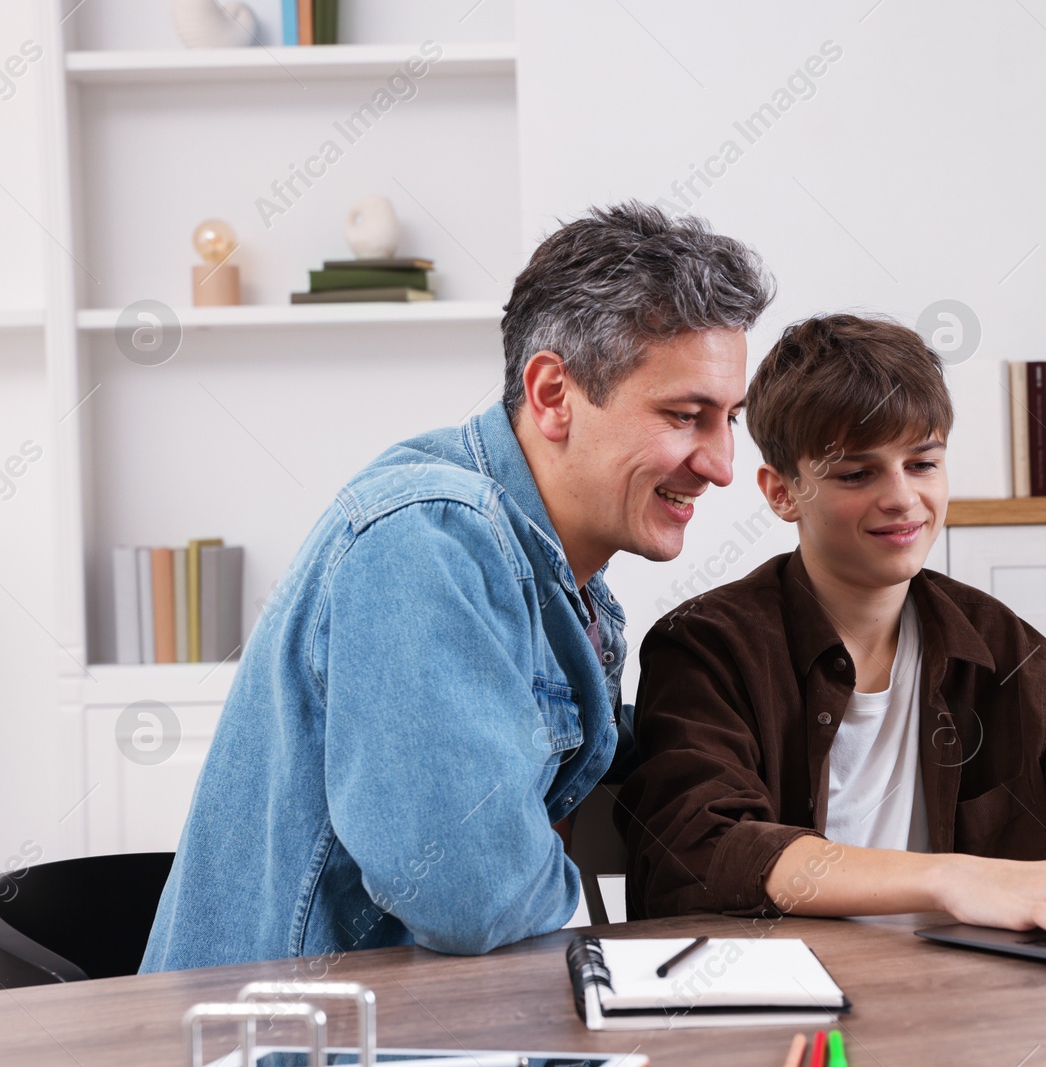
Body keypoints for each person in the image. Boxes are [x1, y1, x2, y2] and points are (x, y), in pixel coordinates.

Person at [140, 202, 774, 971]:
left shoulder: (562, 579)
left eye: (729, 419)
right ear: (551, 396)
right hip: (294, 1042)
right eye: (685, 416)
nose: (721, 464)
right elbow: (471, 898)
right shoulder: (426, 543)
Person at [617, 313, 1046, 945]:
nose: (902, 498)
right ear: (782, 493)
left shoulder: (993, 640)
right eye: (857, 474)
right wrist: (953, 879)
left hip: (970, 1000)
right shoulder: (706, 647)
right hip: (787, 1004)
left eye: (922, 464)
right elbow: (707, 846)